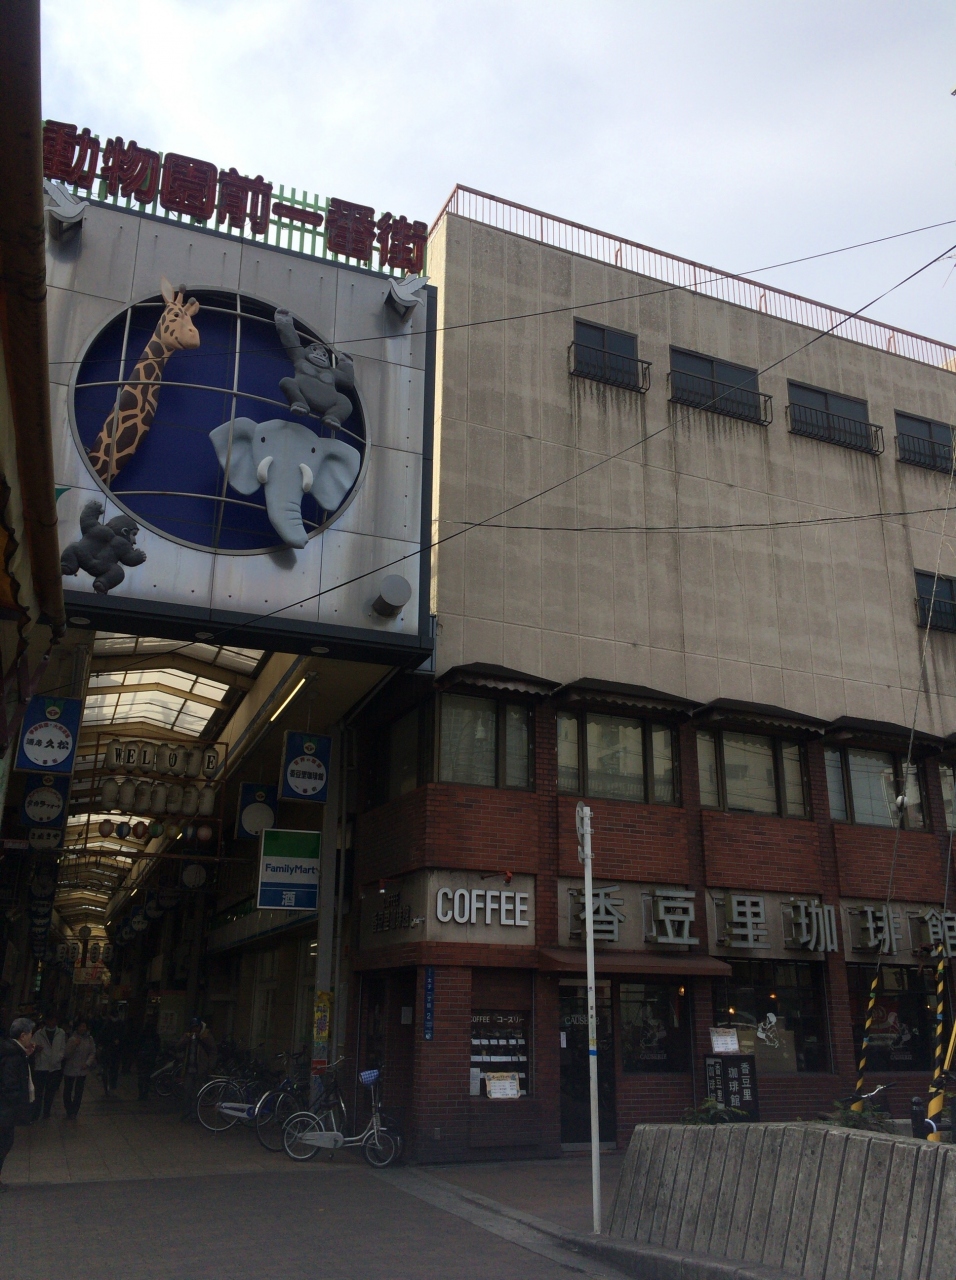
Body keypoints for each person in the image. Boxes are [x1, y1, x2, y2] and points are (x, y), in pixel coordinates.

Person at [0, 1017, 35, 1192]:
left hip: (6, 1109)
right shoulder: (13, 1055)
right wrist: (18, 1102)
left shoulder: (13, 1051)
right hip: (5, 1109)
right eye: (30, 1034)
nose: (31, 1038)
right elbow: (10, 1084)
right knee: (4, 1143)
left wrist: (26, 1055)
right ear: (22, 1035)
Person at [178, 1017, 216, 1122]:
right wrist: (186, 1039)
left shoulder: (206, 1036)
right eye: (193, 1027)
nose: (195, 1029)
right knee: (187, 1091)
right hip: (188, 1069)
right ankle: (186, 1113)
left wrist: (210, 1066)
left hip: (200, 1069)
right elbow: (178, 1047)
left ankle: (195, 1114)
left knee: (197, 1093)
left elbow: (213, 1051)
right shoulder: (188, 1036)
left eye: (196, 1027)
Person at [30, 1010, 66, 1121]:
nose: (53, 1022)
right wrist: (36, 1048)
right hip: (41, 1066)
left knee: (50, 1092)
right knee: (38, 1092)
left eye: (54, 1020)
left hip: (54, 1067)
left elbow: (62, 1048)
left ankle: (46, 1112)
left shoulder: (61, 1033)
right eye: (51, 1020)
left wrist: (58, 1058)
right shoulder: (39, 1033)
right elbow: (31, 1046)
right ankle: (36, 1113)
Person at [62, 1019, 97, 1119]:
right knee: (68, 1090)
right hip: (70, 1068)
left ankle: (75, 1110)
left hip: (82, 1069)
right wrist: (74, 1045)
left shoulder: (89, 1039)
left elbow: (92, 1052)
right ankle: (68, 1108)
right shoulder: (72, 1039)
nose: (82, 1028)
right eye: (81, 1026)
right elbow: (66, 1054)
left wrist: (87, 1063)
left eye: (84, 1026)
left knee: (79, 1091)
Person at [136, 1017, 161, 1102]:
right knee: (148, 1077)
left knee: (140, 1077)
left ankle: (140, 1094)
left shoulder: (143, 1034)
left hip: (141, 1058)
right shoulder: (155, 1035)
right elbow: (157, 1047)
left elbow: (137, 1045)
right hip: (150, 1058)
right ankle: (145, 1094)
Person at [98, 1009, 122, 1095]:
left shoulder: (107, 1024)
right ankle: (111, 1085)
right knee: (113, 1069)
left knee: (108, 1068)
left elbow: (101, 1036)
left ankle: (109, 1086)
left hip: (109, 1050)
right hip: (114, 1051)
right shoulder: (119, 1024)